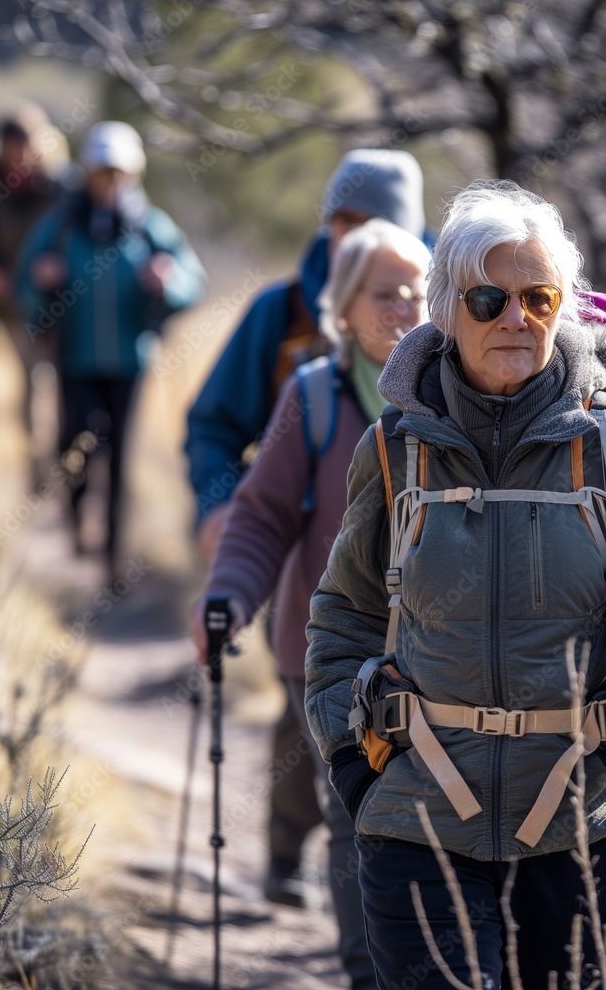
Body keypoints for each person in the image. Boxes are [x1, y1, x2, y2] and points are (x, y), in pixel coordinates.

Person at [304, 180, 606, 989]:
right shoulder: (396, 450)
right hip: (419, 820)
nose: (516, 319)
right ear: (445, 309)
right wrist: (349, 757)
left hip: (583, 827)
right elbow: (342, 617)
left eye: (539, 299)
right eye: (490, 298)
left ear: (563, 308)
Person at [184, 148, 428, 908]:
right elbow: (214, 424)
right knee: (307, 734)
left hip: (421, 627)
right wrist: (220, 505)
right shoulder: (282, 314)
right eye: (339, 220)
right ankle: (288, 862)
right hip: (299, 573)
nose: (345, 234)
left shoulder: (443, 329)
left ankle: (370, 919)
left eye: (369, 220)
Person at [16, 120, 206, 580]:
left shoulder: (149, 225)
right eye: (103, 171)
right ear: (88, 172)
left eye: (120, 172)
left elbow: (191, 280)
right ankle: (79, 520)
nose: (112, 181)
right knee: (76, 444)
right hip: (75, 356)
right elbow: (24, 284)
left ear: (134, 174)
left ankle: (112, 560)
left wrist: (169, 282)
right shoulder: (61, 224)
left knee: (120, 457)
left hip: (130, 360)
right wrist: (42, 283)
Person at [0, 102, 69, 460]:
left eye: (26, 146)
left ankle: (64, 458)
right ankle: (35, 463)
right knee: (31, 382)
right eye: (13, 147)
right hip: (13, 310)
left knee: (61, 384)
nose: (20, 155)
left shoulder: (61, 191)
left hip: (59, 306)